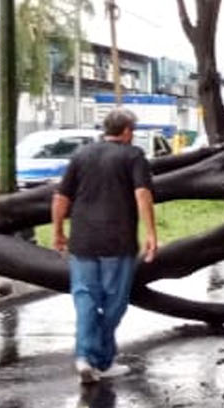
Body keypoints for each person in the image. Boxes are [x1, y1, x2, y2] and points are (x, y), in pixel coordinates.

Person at [51, 109, 159, 382]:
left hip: (83, 240)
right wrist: (151, 233)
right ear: (126, 131)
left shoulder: (81, 155)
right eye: (132, 130)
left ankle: (86, 358)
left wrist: (58, 232)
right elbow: (143, 193)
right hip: (117, 241)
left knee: (85, 298)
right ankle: (100, 358)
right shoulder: (133, 156)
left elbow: (61, 198)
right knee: (114, 301)